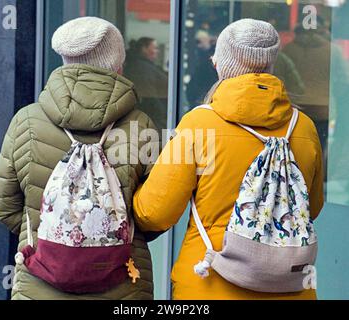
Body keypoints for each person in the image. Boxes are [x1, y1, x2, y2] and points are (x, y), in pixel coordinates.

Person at [133, 19, 324, 300]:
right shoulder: (303, 126)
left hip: (209, 279)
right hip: (289, 285)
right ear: (272, 63)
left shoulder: (199, 124)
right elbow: (312, 206)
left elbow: (157, 212)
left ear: (222, 65)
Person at [0, 17, 158, 300]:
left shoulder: (27, 121)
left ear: (64, 59)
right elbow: (155, 214)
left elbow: (6, 207)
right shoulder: (141, 126)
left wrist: (55, 239)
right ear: (117, 62)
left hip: (39, 284)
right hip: (122, 288)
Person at [124, 37, 168, 131]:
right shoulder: (142, 69)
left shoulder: (146, 67)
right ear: (144, 49)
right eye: (155, 48)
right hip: (152, 120)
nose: (157, 51)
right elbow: (150, 97)